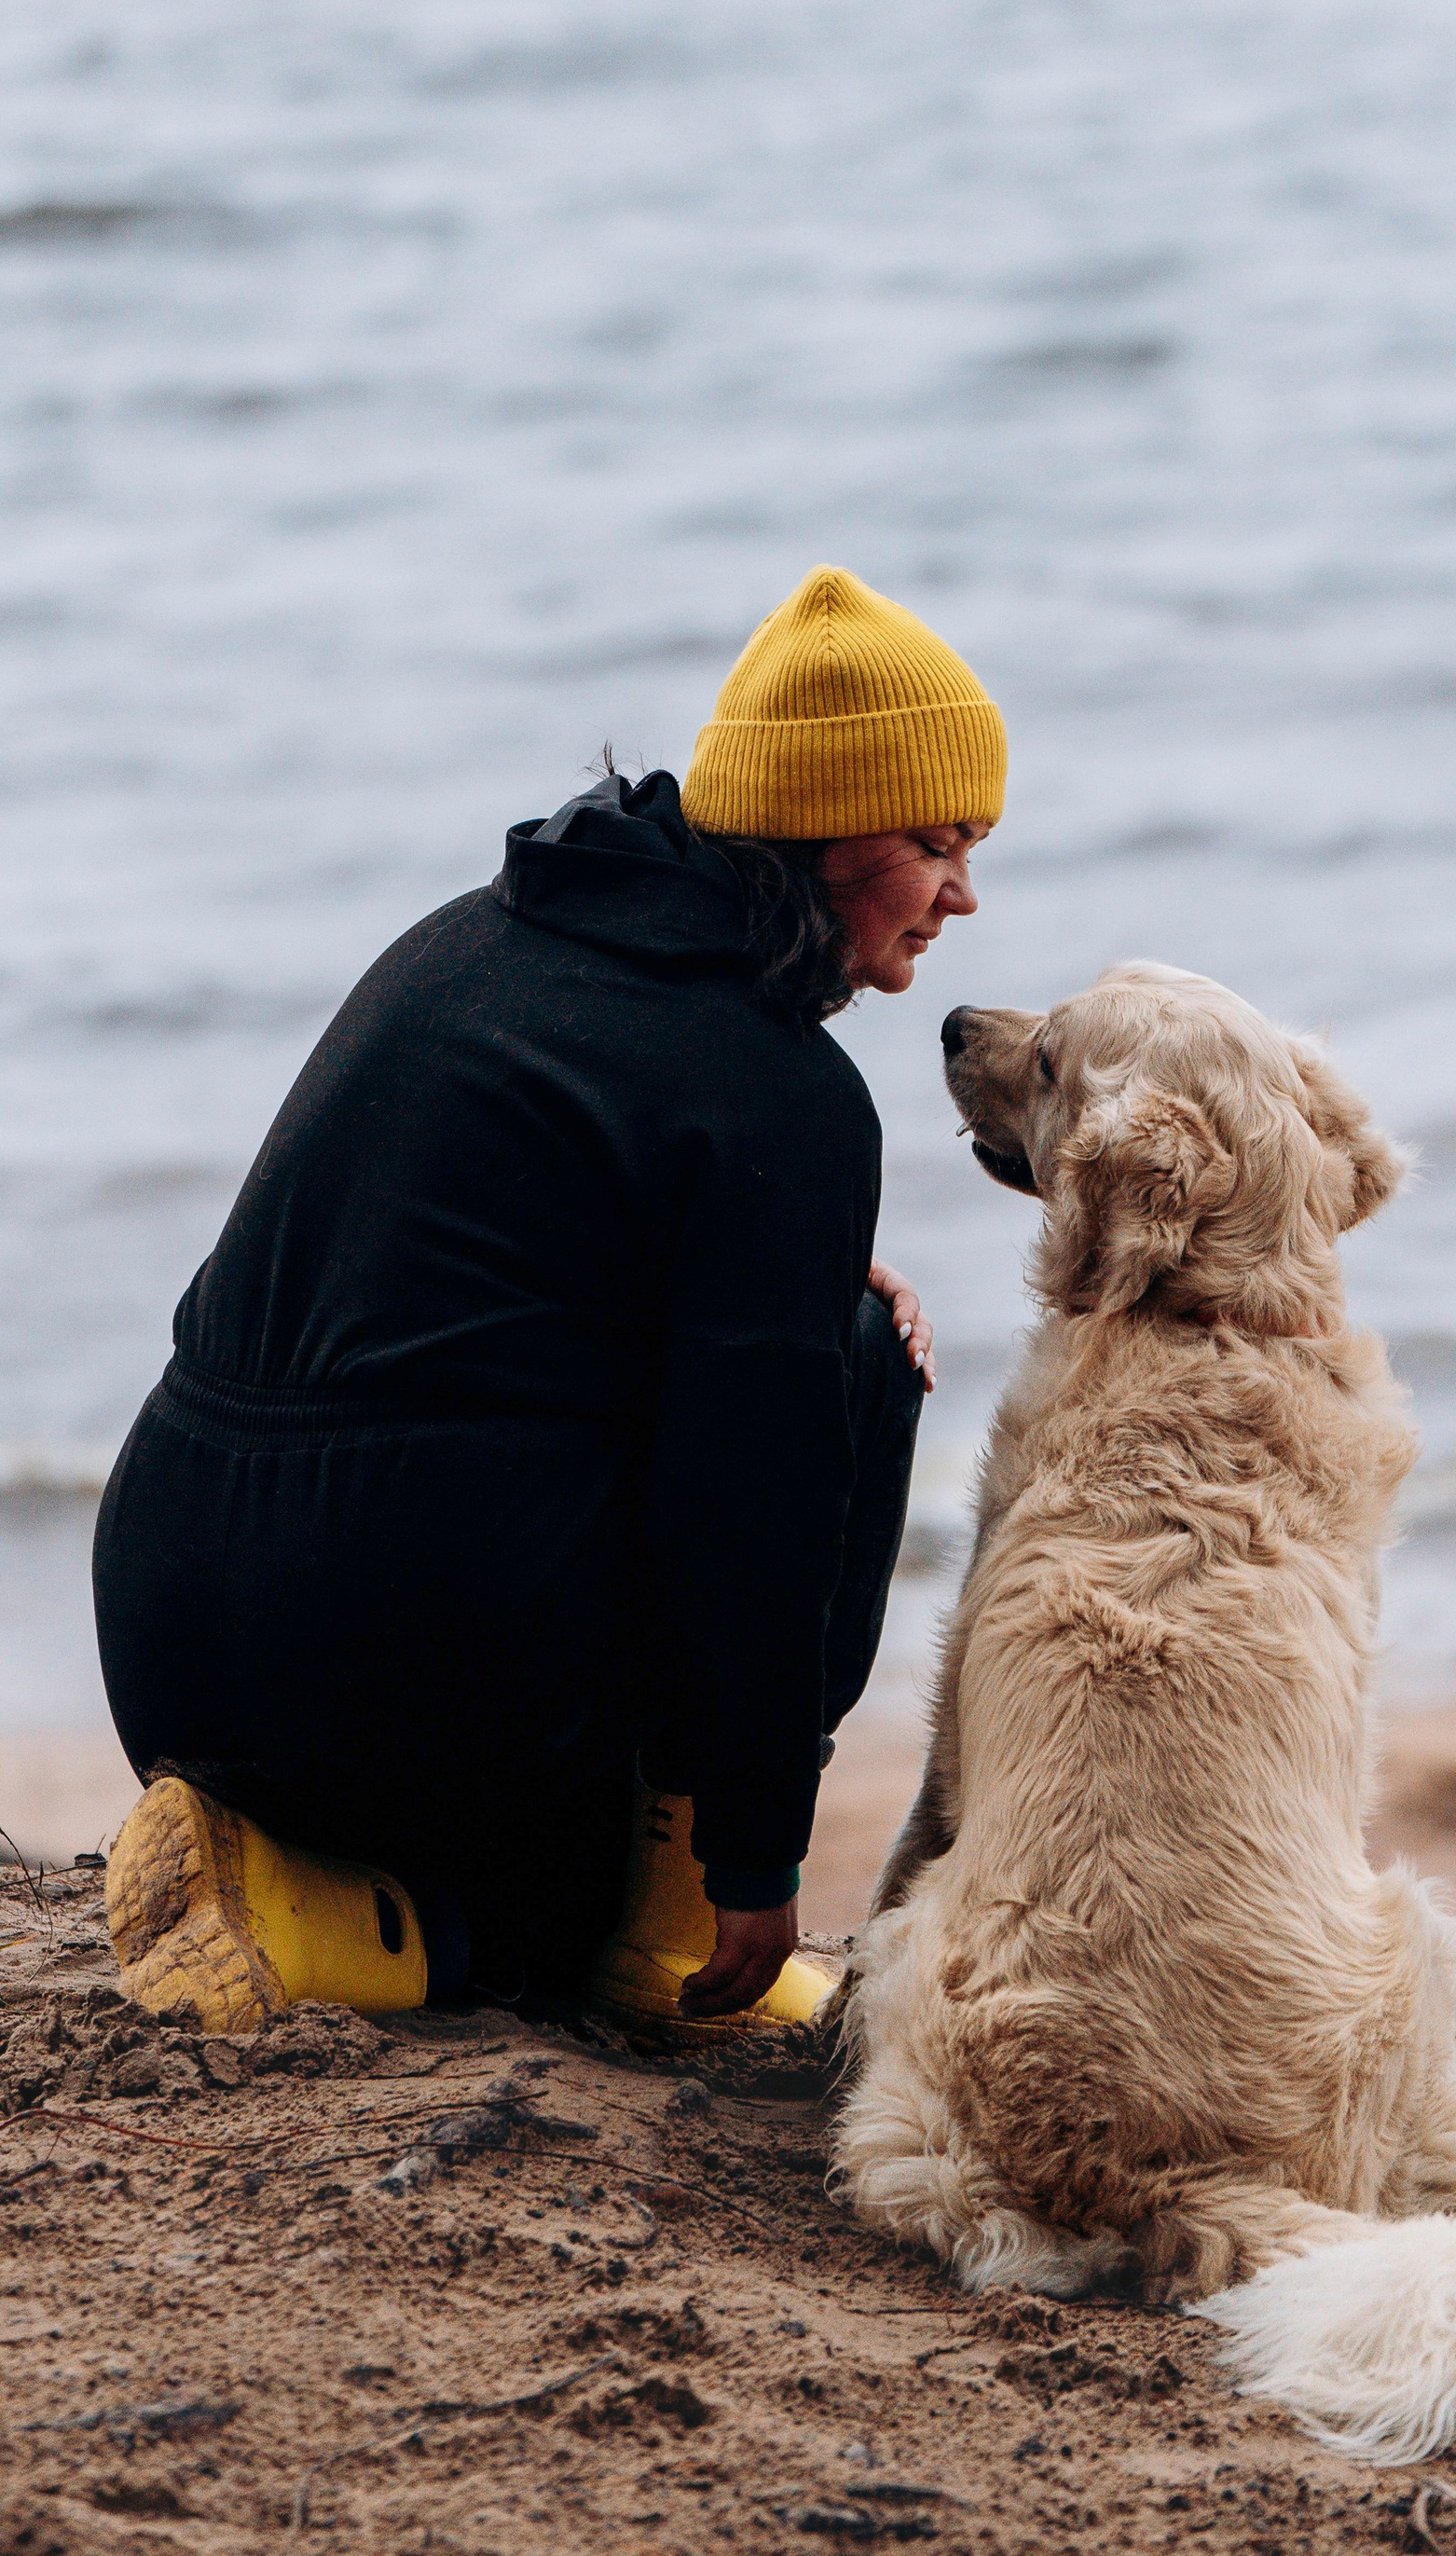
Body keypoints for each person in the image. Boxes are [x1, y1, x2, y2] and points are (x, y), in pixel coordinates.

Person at [90, 566, 1003, 2045]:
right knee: (853, 1362)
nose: (962, 892)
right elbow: (751, 1500)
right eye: (935, 841)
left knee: (759, 1349)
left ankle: (275, 1865)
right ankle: (658, 1933)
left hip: (167, 1621)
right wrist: (758, 1859)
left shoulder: (468, 940)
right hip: (387, 1665)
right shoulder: (779, 1088)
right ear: (827, 831)